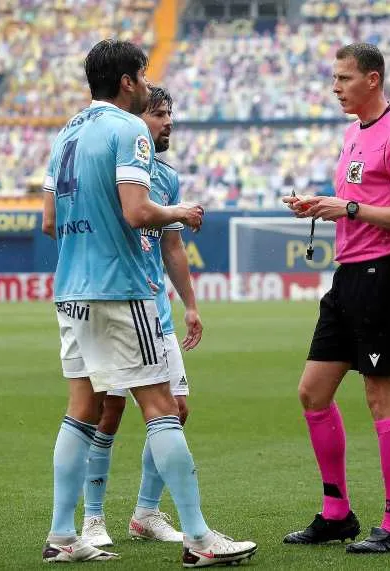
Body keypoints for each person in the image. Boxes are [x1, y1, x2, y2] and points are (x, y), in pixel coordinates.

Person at [40, 39, 257, 566]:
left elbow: (48, 222)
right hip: (121, 288)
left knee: (81, 409)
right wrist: (180, 211)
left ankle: (63, 535)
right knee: (163, 407)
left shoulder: (66, 133)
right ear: (127, 82)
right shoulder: (129, 130)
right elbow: (137, 212)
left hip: (71, 289)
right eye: (141, 75)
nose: (144, 84)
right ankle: (199, 540)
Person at [281, 43, 390, 554]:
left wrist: (347, 208)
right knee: (312, 391)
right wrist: (322, 206)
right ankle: (337, 513)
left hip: (385, 276)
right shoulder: (353, 133)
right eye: (334, 78)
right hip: (348, 277)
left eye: (344, 78)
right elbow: (356, 203)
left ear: (372, 79)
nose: (335, 88)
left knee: (381, 399)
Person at [80, 86, 204, 547]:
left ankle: (146, 513)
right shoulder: (112, 170)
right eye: (158, 114)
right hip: (117, 304)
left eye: (170, 113)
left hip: (157, 313)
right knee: (107, 411)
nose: (168, 122)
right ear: (136, 119)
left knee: (177, 409)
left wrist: (190, 305)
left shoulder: (166, 178)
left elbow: (172, 246)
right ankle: (93, 518)